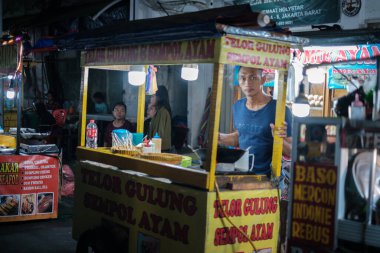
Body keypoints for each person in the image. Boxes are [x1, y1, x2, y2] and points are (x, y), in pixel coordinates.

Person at [218, 66, 292, 176]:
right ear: (238, 81)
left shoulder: (280, 109)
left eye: (253, 78)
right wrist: (220, 138)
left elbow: (291, 151)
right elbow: (241, 137)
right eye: (243, 78)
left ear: (263, 79)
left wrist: (277, 139)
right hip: (241, 174)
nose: (247, 83)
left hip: (269, 178)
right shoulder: (237, 106)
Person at [148, 86, 172, 151]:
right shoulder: (158, 111)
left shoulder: (163, 112)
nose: (151, 99)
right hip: (157, 147)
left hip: (160, 149)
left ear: (160, 97)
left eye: (153, 96)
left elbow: (158, 134)